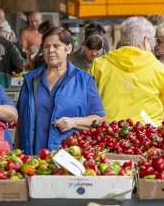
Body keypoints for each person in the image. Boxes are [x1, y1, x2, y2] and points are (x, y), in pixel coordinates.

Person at [17, 27, 106, 155]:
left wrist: (73, 122)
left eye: (56, 46)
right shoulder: (31, 80)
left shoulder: (84, 80)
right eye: (46, 46)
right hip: (33, 156)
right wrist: (17, 152)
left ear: (68, 48)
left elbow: (99, 119)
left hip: (68, 155)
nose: (50, 50)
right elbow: (20, 120)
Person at [89, 16, 164, 125]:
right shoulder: (157, 68)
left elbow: (86, 100)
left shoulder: (98, 64)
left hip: (108, 133)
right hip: (147, 135)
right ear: (146, 41)